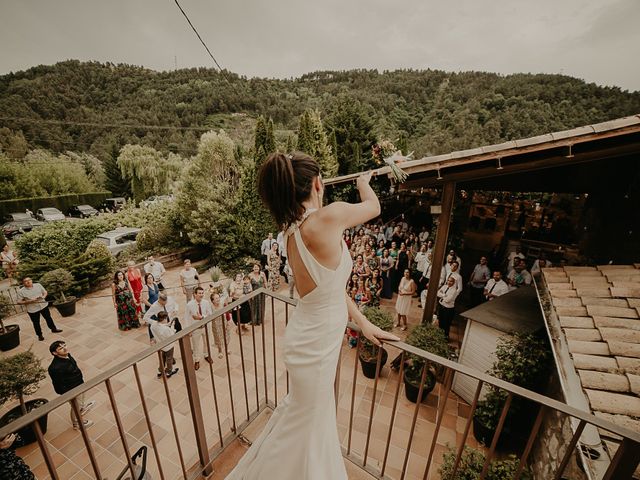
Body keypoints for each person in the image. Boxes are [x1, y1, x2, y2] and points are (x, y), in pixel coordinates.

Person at [226, 152, 398, 480]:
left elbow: (329, 288)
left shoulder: (291, 231)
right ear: (318, 183)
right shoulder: (326, 218)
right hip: (316, 346)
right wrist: (363, 182)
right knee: (308, 427)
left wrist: (363, 322)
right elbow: (373, 207)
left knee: (304, 421)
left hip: (308, 337)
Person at [47, 340, 95, 429]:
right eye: (61, 348)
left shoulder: (67, 355)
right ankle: (76, 423)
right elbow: (58, 384)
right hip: (72, 390)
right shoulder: (55, 368)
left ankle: (81, 408)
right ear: (54, 353)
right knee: (75, 406)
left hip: (79, 383)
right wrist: (69, 395)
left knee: (80, 402)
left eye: (64, 345)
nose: (65, 348)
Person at [185, 287, 214, 371]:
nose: (201, 295)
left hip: (205, 327)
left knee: (207, 342)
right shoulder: (189, 305)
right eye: (199, 293)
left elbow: (210, 314)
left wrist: (202, 317)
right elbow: (186, 317)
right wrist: (189, 330)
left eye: (202, 293)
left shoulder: (206, 303)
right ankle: (197, 360)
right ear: (195, 294)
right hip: (196, 328)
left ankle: (206, 355)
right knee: (195, 345)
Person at [150, 311, 179, 378]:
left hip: (161, 345)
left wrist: (167, 324)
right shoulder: (165, 329)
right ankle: (169, 372)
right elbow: (172, 335)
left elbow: (160, 326)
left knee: (162, 358)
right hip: (168, 346)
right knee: (169, 359)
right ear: (164, 319)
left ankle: (160, 371)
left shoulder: (153, 325)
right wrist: (172, 326)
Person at [210, 292, 231, 358]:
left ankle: (227, 348)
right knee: (218, 337)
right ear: (212, 300)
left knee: (226, 335)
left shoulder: (222, 304)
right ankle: (220, 351)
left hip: (223, 321)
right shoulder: (211, 307)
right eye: (216, 298)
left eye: (218, 297)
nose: (218, 299)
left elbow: (227, 313)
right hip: (216, 323)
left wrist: (228, 321)